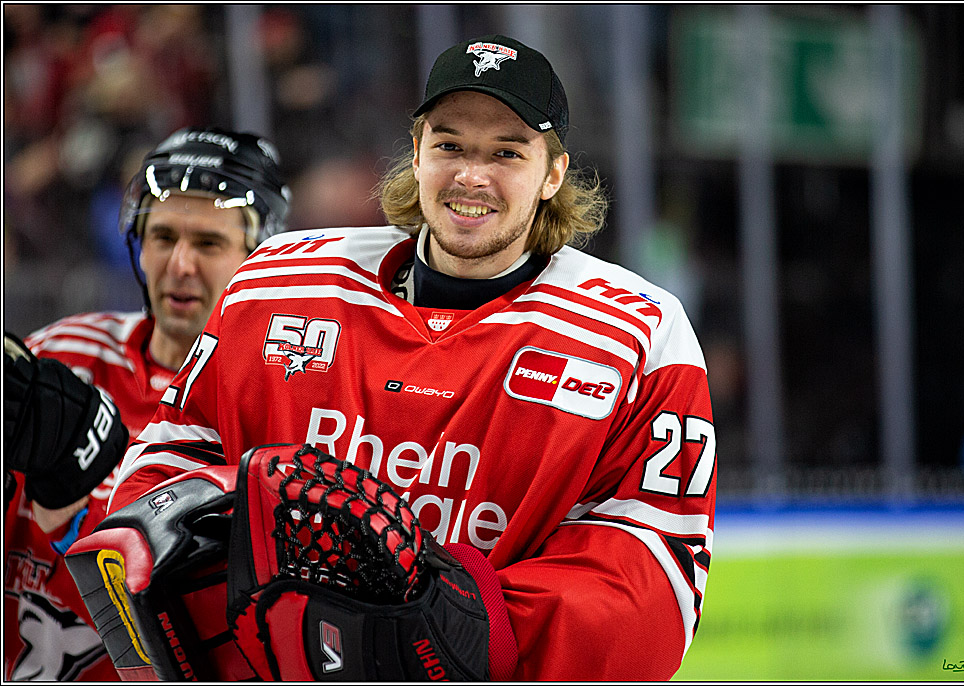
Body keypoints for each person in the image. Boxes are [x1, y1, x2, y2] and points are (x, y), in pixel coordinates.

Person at [106, 35, 715, 680]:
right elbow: (164, 470)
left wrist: (461, 630)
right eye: (449, 145)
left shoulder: (640, 333)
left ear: (553, 173)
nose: (471, 176)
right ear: (418, 151)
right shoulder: (275, 284)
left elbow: (654, 578)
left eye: (507, 153)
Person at [3, 125, 291, 681]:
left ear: (261, 257)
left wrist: (73, 512)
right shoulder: (64, 352)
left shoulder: (274, 402)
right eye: (162, 236)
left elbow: (227, 632)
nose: (180, 264)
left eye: (208, 243)